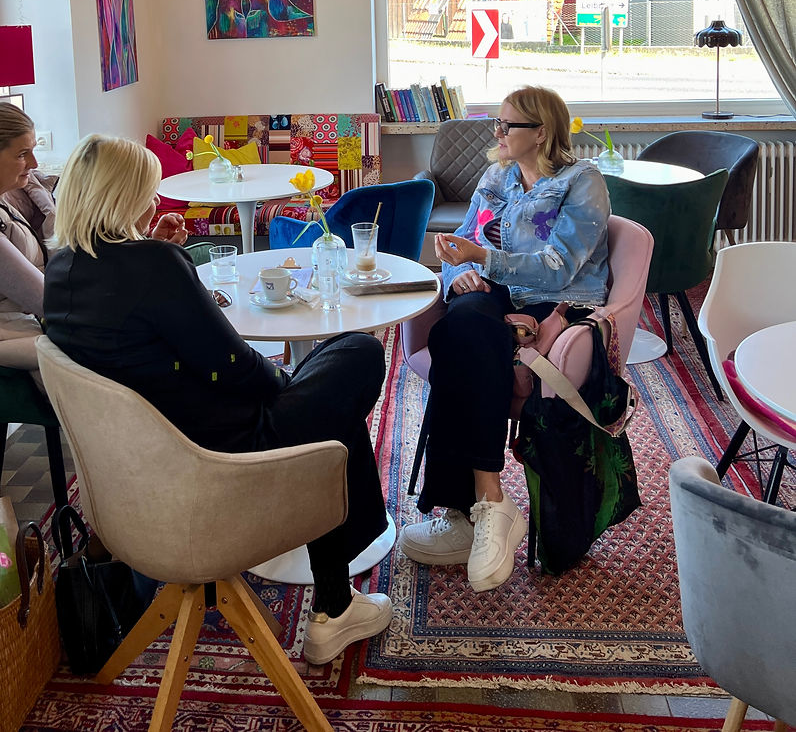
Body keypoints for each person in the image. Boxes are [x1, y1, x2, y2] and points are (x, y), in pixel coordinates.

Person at [42, 133, 393, 666]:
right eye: (146, 190)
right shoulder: (152, 266)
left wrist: (159, 249)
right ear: (122, 195)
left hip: (147, 459)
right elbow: (231, 363)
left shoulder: (61, 271)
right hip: (219, 449)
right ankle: (336, 603)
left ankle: (337, 600)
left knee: (328, 404)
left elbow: (140, 335)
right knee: (359, 354)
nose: (153, 201)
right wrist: (285, 384)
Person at [398, 86, 610, 593]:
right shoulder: (496, 177)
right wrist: (459, 274)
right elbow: (461, 248)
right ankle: (484, 502)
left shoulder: (582, 182)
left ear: (541, 132)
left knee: (465, 337)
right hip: (495, 290)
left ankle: (465, 508)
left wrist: (482, 260)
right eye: (496, 123)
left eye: (505, 125)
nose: (495, 133)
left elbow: (559, 268)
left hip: (553, 302)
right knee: (460, 323)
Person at [0, 104, 189, 376]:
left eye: (33, 150)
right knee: (127, 343)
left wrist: (146, 246)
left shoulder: (10, 190)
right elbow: (51, 303)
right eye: (22, 154)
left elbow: (78, 262)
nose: (34, 163)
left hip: (12, 317)